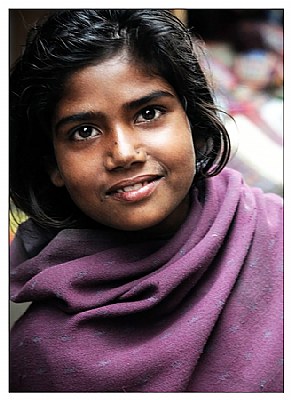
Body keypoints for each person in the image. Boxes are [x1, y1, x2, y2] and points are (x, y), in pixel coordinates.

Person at [9, 10, 283, 393]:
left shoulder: (276, 234)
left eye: (148, 113)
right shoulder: (36, 353)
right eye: (84, 131)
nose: (123, 153)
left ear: (192, 121)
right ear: (52, 164)